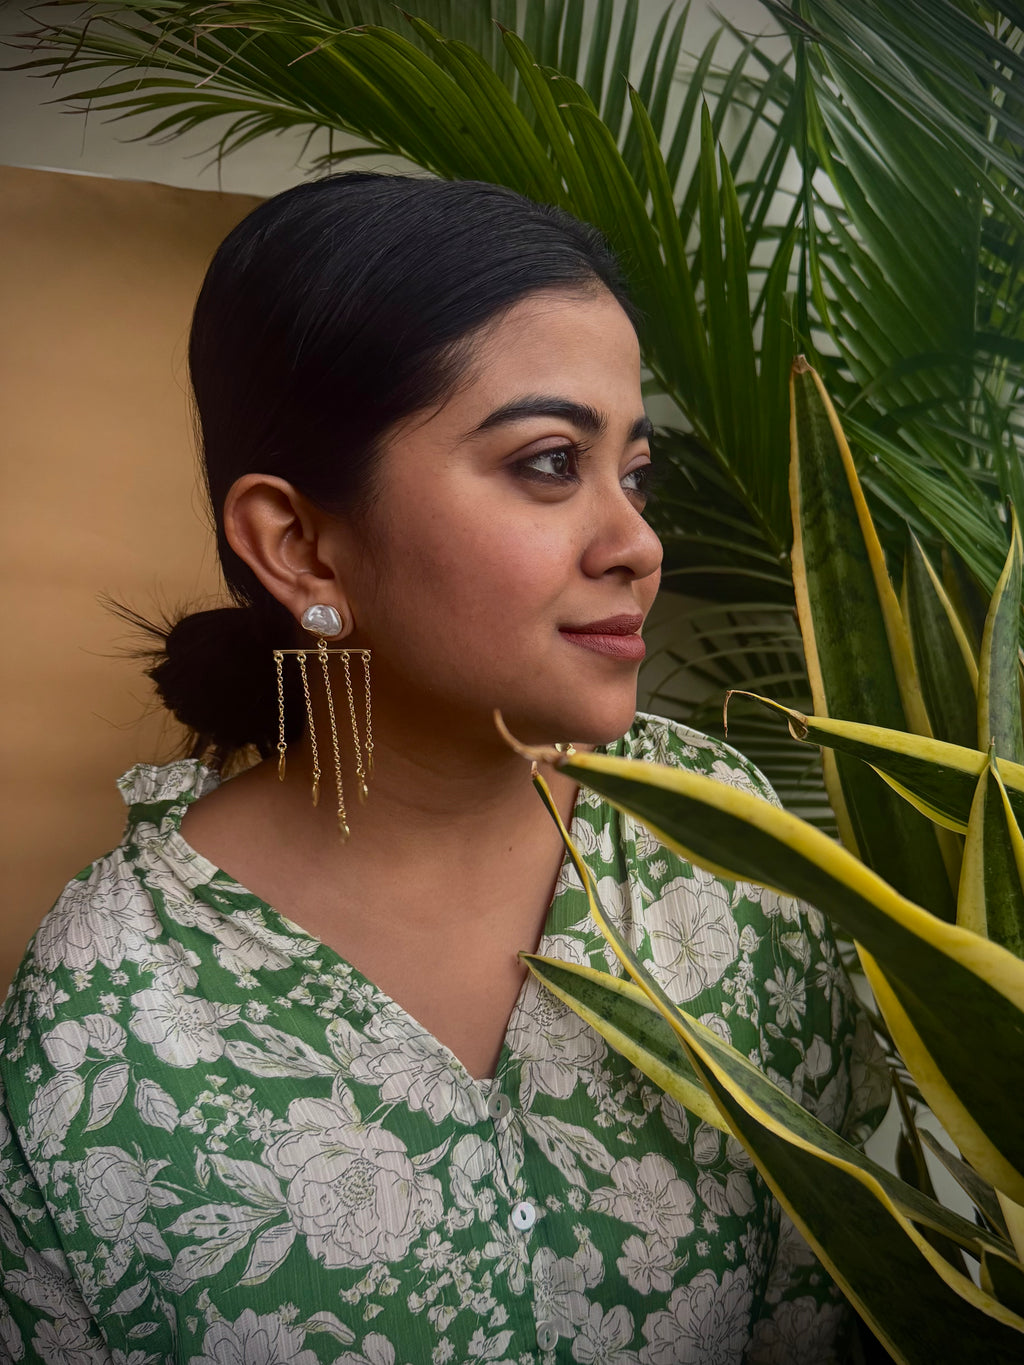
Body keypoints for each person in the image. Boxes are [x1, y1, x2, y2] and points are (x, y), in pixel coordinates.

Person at [0, 173, 886, 1365]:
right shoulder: (106, 1023)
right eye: (547, 462)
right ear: (300, 543)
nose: (637, 545)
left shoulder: (725, 851)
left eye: (634, 471)